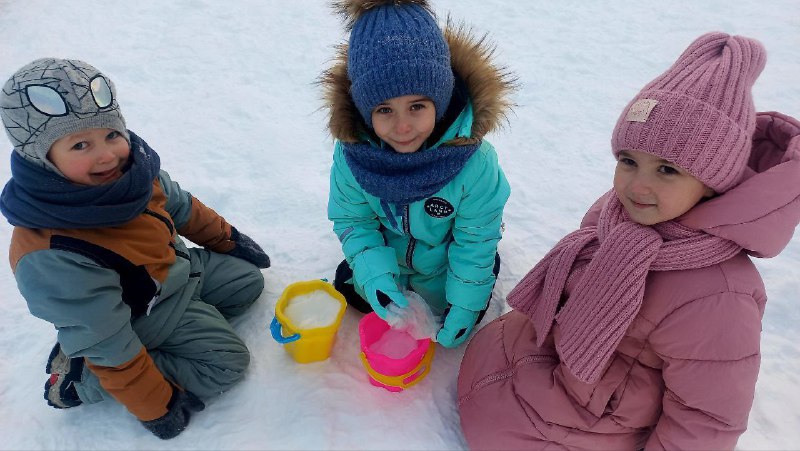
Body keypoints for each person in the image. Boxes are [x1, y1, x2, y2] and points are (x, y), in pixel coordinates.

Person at [457, 32, 800, 450]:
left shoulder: (718, 297)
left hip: (597, 416)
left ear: (712, 183)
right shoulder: (620, 213)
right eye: (629, 161)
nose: (638, 185)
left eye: (668, 170)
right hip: (552, 367)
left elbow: (706, 421)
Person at [0, 58, 271, 440]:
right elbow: (110, 343)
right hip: (134, 314)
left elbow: (181, 206)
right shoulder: (52, 253)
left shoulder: (132, 174)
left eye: (112, 135)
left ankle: (175, 333)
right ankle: (82, 377)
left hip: (174, 276)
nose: (108, 155)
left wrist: (228, 239)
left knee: (246, 282)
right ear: (41, 158)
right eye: (80, 144)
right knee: (225, 364)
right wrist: (157, 405)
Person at [323, 0, 514, 348]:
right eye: (384, 110)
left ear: (439, 100)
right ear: (365, 112)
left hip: (443, 263)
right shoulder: (353, 155)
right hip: (394, 257)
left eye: (417, 106)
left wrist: (466, 306)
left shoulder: (473, 162)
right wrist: (378, 278)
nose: (403, 127)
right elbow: (354, 221)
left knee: (459, 306)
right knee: (351, 285)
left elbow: (475, 238)